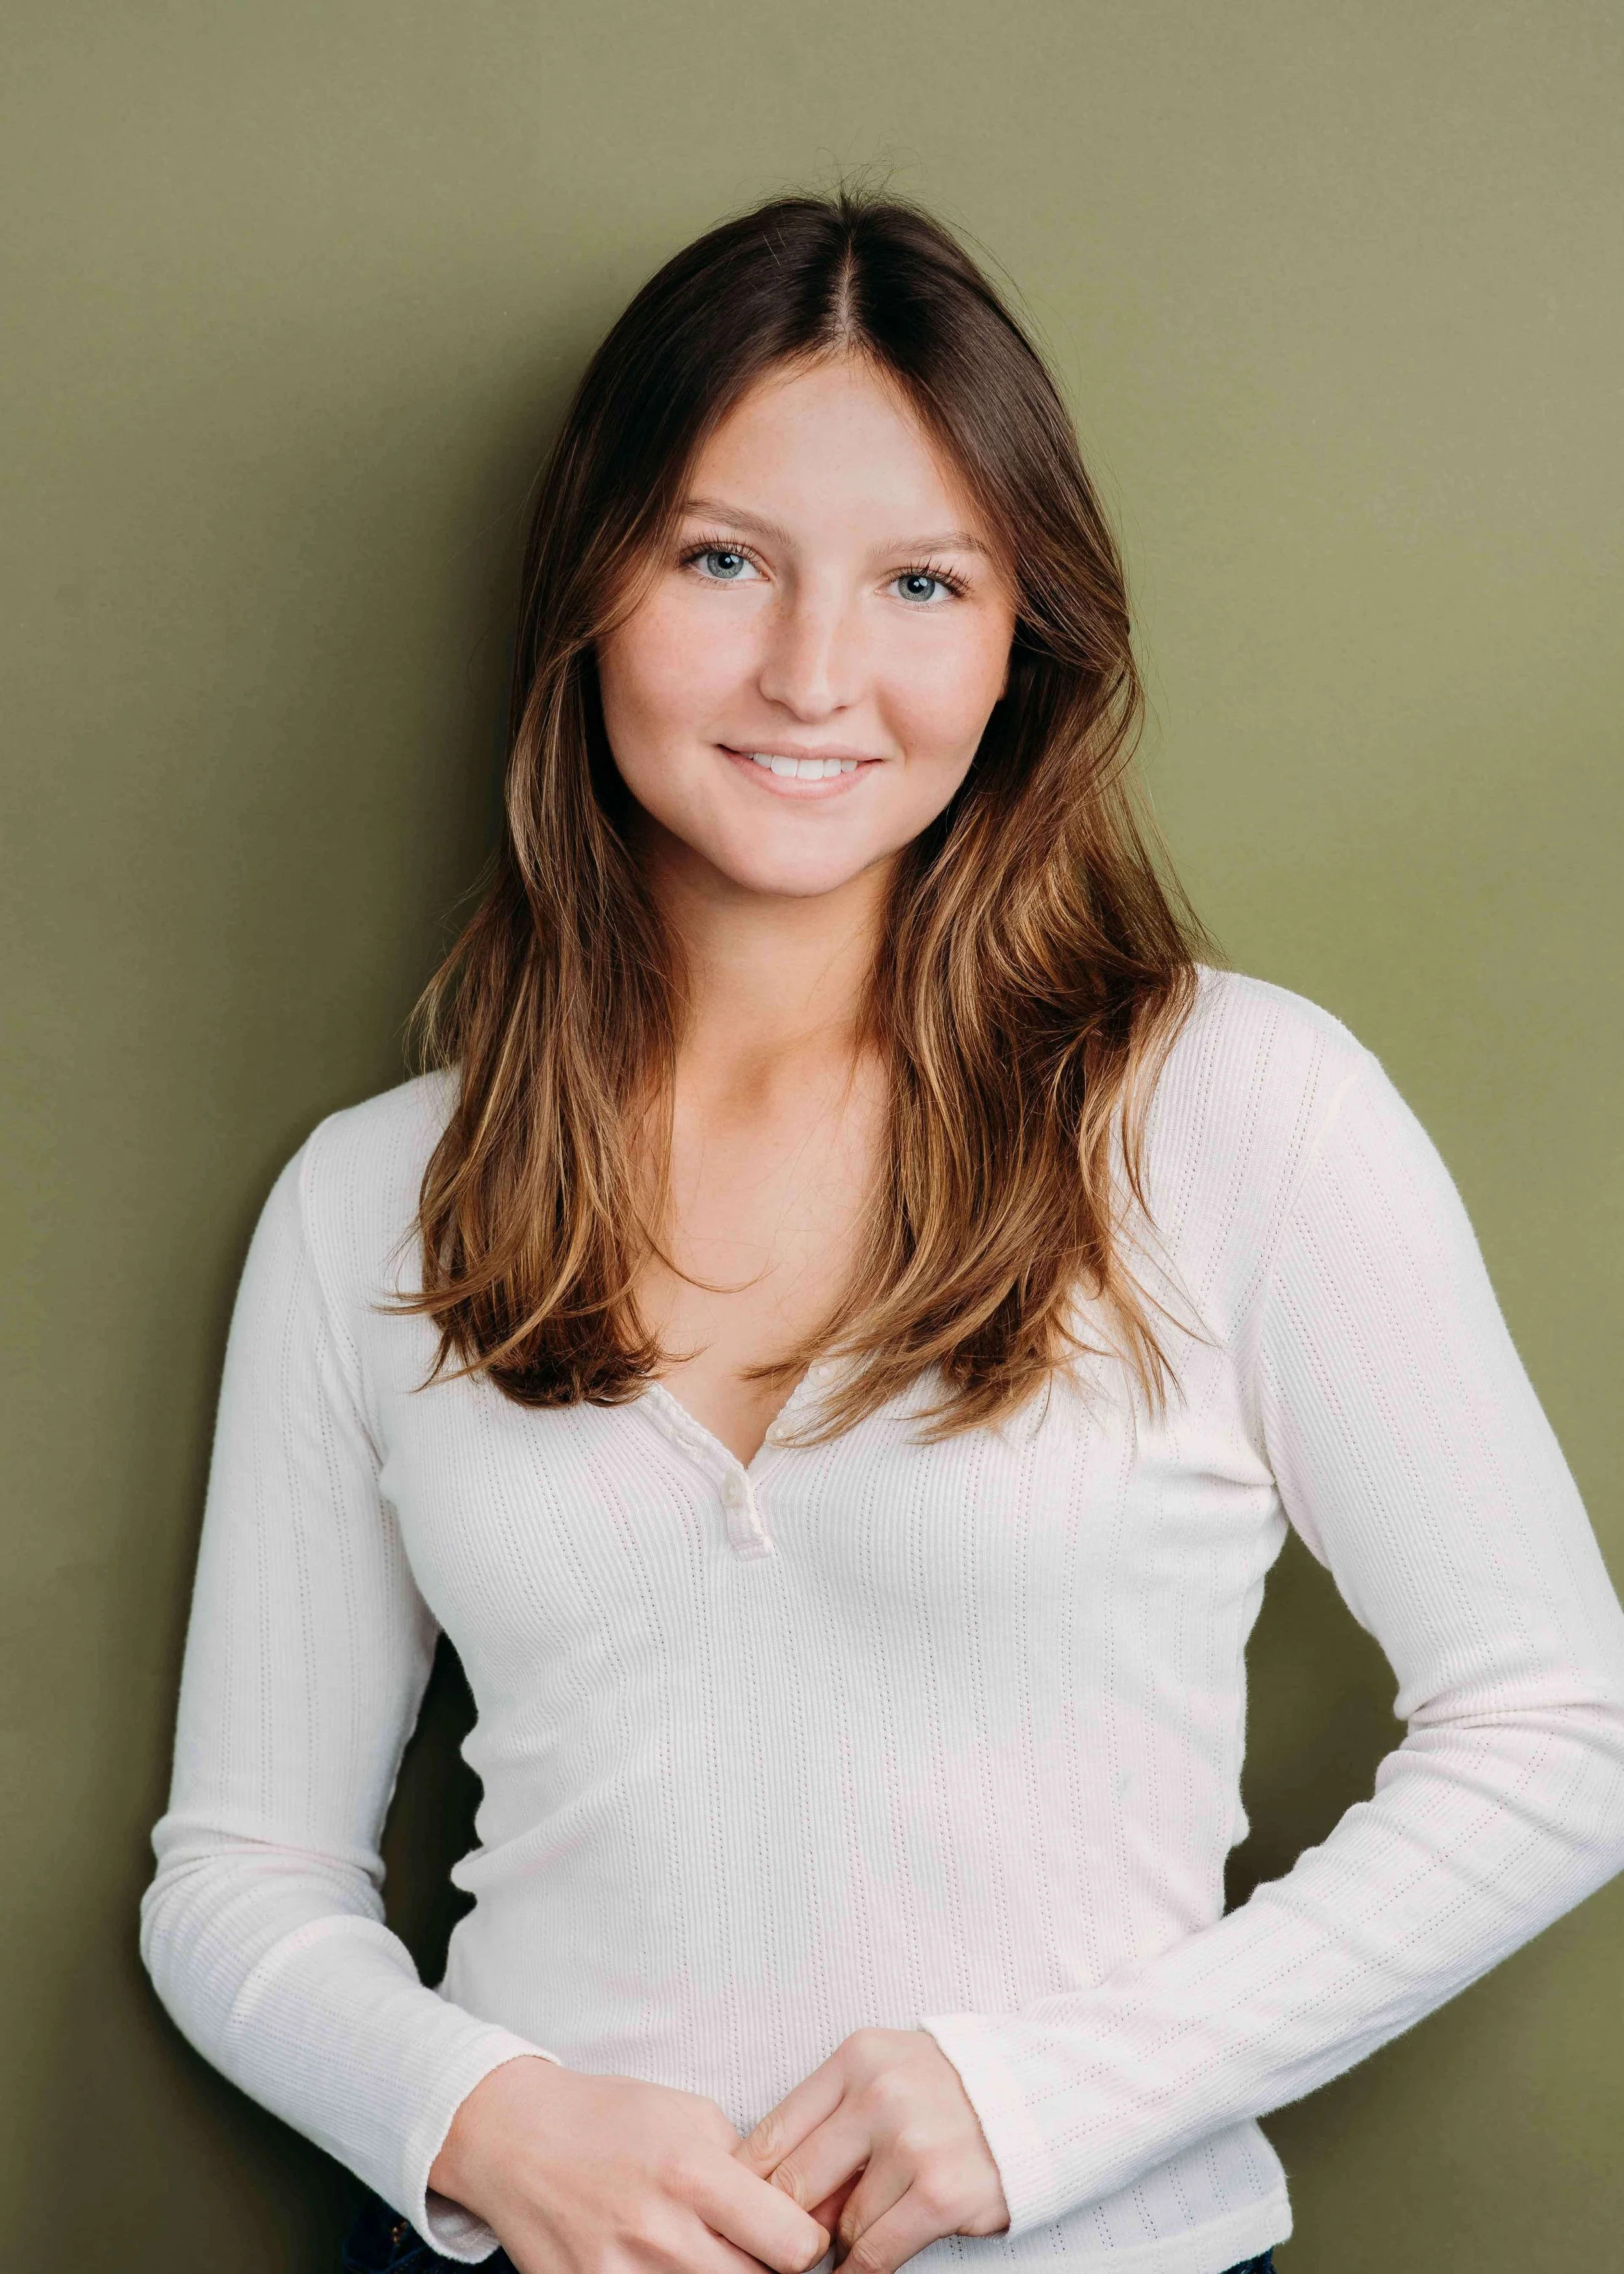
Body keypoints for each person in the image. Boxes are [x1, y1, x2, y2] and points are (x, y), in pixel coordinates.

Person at [139, 186, 1624, 2274]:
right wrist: (482, 2118)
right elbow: (240, 1870)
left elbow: (1556, 1728)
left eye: (922, 580)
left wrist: (1051, 2103)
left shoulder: (1231, 1108)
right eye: (722, 557)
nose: (814, 672)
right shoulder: (370, 1200)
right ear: (594, 591)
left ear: (1024, 637)